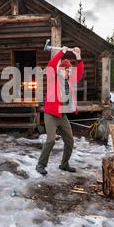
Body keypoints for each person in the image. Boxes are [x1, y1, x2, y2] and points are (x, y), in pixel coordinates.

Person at [36, 46, 84, 175]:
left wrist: (78, 56)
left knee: (70, 141)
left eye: (69, 70)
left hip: (62, 115)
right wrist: (61, 52)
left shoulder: (69, 81)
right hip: (50, 115)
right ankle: (40, 165)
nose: (68, 72)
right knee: (51, 140)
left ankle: (64, 164)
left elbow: (79, 72)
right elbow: (51, 64)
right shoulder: (53, 77)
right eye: (66, 70)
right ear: (61, 69)